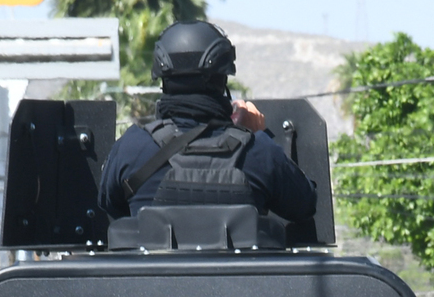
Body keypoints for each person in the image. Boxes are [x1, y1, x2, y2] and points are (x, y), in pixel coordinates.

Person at [99, 20, 318, 222]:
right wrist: (259, 135)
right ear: (222, 80)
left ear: (164, 80)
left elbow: (110, 206)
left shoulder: (131, 148)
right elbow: (305, 205)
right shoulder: (260, 152)